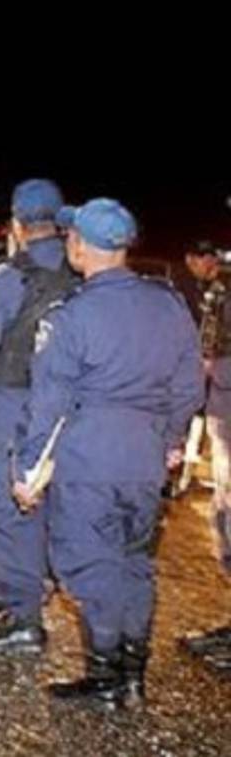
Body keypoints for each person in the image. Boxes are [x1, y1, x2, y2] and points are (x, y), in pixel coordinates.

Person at [13, 198, 204, 709]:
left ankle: (105, 680)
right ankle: (131, 677)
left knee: (89, 566)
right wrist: (169, 442)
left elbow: (49, 402)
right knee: (134, 566)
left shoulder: (72, 316)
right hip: (144, 459)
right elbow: (188, 389)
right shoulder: (168, 304)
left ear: (79, 247)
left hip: (89, 459)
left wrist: (28, 470)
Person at [0, 179, 80, 657]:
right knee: (53, 503)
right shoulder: (85, 271)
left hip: (9, 405)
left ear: (16, 224)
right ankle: (36, 585)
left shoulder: (7, 279)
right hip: (70, 409)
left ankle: (21, 616)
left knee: (3, 507)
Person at [179, 243, 230, 677]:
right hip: (222, 412)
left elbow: (213, 354)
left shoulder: (223, 288)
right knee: (223, 517)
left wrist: (209, 368)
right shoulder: (219, 289)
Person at [175, 240, 223, 494]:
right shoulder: (181, 288)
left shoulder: (204, 287)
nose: (211, 266)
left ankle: (185, 471)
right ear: (190, 259)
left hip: (197, 367)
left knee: (196, 418)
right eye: (206, 260)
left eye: (213, 261)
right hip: (181, 368)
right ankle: (174, 476)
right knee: (183, 420)